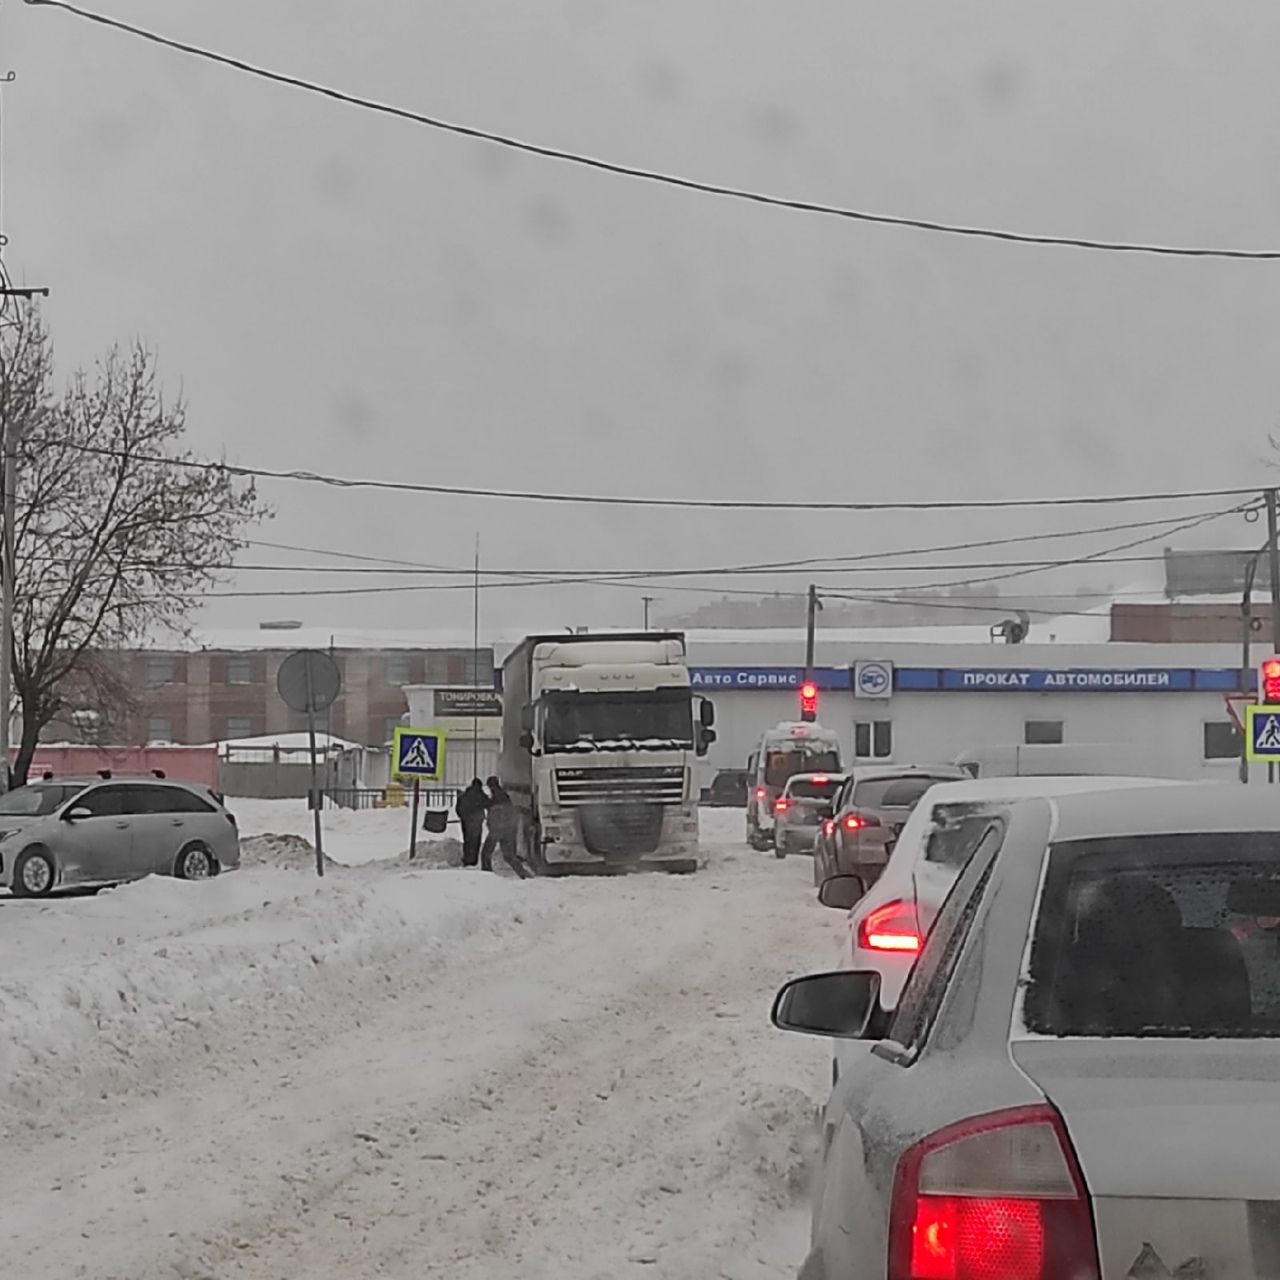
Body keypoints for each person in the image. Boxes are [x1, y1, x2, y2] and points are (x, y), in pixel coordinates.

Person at [483, 776, 531, 879]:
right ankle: (524, 874)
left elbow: (494, 810)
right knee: (509, 855)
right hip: (507, 829)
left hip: (497, 830)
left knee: (486, 853)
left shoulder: (496, 796)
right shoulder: (504, 796)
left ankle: (486, 875)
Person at [455, 778, 491, 870]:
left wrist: (463, 817)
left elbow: (458, 808)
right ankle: (473, 860)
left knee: (467, 840)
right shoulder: (480, 795)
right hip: (476, 822)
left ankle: (467, 859)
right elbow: (488, 804)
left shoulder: (464, 795)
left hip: (465, 822)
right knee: (475, 841)